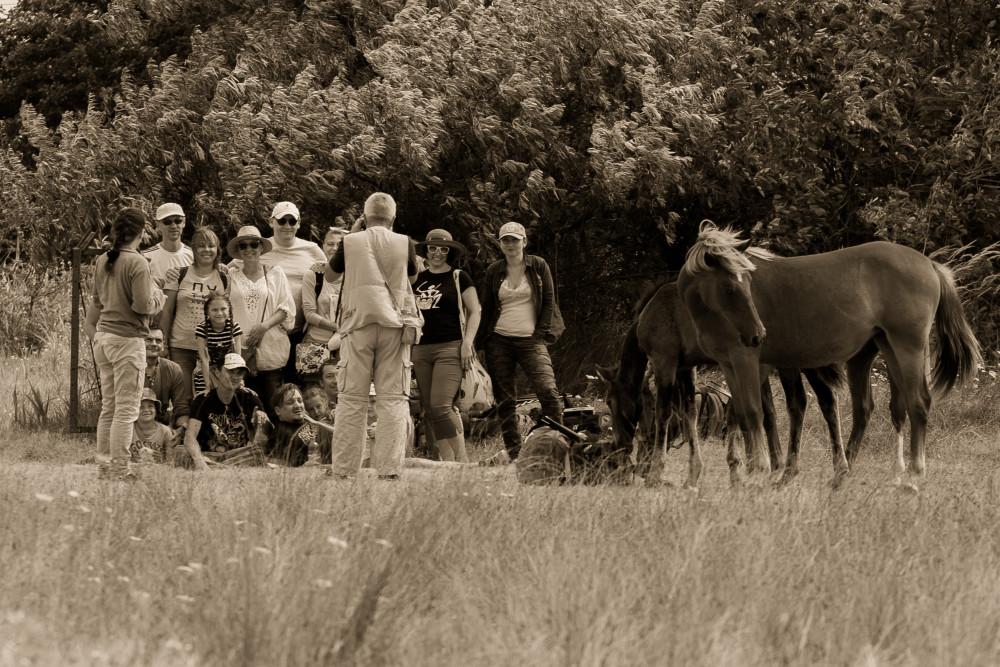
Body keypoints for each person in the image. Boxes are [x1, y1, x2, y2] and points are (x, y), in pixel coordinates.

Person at [325, 192, 419, 480]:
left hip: (358, 324)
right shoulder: (405, 243)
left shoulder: (351, 242)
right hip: (394, 325)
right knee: (392, 399)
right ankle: (390, 471)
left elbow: (330, 275)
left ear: (364, 217)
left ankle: (344, 470)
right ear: (393, 218)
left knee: (352, 399)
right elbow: (411, 278)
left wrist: (353, 237)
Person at [84, 207, 166, 480]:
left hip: (104, 338)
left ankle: (105, 468)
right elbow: (143, 305)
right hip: (127, 341)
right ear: (142, 233)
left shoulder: (104, 258)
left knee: (109, 407)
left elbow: (97, 300)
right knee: (127, 410)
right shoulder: (138, 262)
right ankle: (120, 469)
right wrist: (160, 297)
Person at [476, 222, 564, 463]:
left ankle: (556, 448)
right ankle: (515, 455)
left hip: (531, 340)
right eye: (506, 240)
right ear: (500, 244)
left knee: (547, 390)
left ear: (524, 241)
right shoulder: (494, 270)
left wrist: (539, 336)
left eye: (515, 239)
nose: (511, 244)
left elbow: (548, 302)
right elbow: (487, 307)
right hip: (499, 341)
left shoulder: (538, 265)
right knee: (505, 400)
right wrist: (479, 343)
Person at [412, 229, 481, 462]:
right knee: (430, 410)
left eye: (443, 249)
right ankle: (447, 464)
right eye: (433, 248)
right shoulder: (416, 280)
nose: (437, 253)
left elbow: (475, 312)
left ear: (449, 252)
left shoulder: (459, 277)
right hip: (420, 349)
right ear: (426, 251)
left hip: (450, 347)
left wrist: (467, 343)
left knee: (442, 405)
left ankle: (463, 462)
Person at [256, 202, 328, 383]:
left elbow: (331, 279)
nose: (287, 226)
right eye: (281, 221)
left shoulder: (312, 249)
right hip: (269, 332)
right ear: (271, 222)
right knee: (269, 386)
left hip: (303, 333)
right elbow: (232, 267)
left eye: (291, 221)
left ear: (299, 223)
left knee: (301, 385)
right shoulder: (260, 248)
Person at [226, 225, 295, 413]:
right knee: (243, 409)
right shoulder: (230, 276)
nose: (249, 249)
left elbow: (286, 308)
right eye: (243, 245)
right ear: (238, 251)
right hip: (241, 351)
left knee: (274, 409)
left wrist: (264, 326)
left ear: (261, 247)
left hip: (270, 348)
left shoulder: (275, 273)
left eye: (253, 244)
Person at [160, 227, 230, 394]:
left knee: (210, 395)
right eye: (201, 246)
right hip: (181, 346)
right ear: (193, 249)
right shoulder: (179, 274)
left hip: (212, 348)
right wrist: (164, 343)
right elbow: (167, 311)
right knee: (182, 397)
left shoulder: (224, 277)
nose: (206, 250)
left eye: (211, 246)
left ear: (217, 249)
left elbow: (226, 314)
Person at [180, 353, 270, 470]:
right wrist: (200, 462)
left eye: (239, 373)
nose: (235, 376)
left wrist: (263, 423)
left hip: (240, 454)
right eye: (230, 371)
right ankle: (226, 468)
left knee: (256, 453)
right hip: (210, 455)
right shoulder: (202, 400)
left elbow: (265, 439)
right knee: (181, 452)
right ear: (217, 372)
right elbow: (190, 436)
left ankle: (219, 468)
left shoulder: (251, 398)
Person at [299, 226, 346, 383]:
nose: (334, 248)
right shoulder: (314, 275)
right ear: (323, 247)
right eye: (330, 244)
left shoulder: (354, 276)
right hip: (316, 345)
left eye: (339, 245)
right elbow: (310, 314)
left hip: (346, 345)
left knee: (344, 391)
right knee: (314, 394)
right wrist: (338, 327)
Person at [142, 327, 191, 430]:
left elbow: (181, 407)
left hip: (161, 427)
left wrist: (182, 429)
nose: (154, 344)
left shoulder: (173, 369)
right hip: (131, 425)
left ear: (163, 346)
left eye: (158, 340)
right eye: (149, 339)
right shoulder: (129, 368)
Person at [194, 293, 243, 394]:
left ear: (229, 310)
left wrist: (240, 382)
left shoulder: (234, 327)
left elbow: (238, 358)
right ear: (207, 312)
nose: (219, 313)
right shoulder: (202, 329)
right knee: (204, 396)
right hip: (206, 371)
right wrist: (207, 387)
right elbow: (204, 360)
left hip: (227, 370)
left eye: (223, 309)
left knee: (232, 396)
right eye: (214, 310)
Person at [143, 203, 193, 287]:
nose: (173, 226)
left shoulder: (193, 256)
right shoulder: (146, 257)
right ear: (158, 225)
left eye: (178, 221)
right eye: (167, 222)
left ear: (183, 223)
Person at [129, 388, 176, 464]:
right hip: (134, 472)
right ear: (135, 409)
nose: (146, 410)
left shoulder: (165, 431)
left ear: (156, 409)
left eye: (150, 406)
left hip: (158, 472)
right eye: (141, 407)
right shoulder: (127, 430)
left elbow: (170, 462)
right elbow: (121, 461)